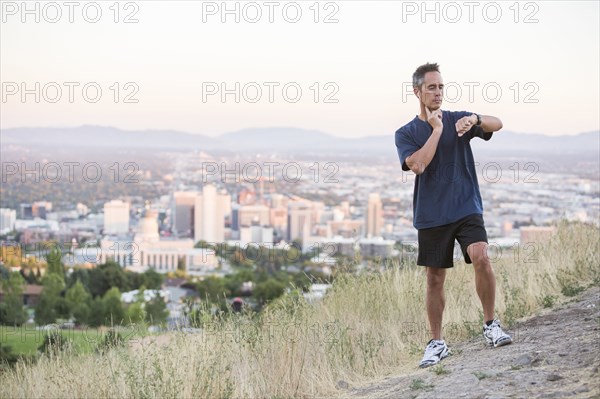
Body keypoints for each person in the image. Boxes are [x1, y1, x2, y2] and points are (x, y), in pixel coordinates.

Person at [394, 63, 512, 369]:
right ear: (416, 91)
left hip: (466, 206)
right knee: (434, 279)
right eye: (431, 87)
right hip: (432, 215)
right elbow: (418, 165)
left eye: (441, 87)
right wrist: (437, 131)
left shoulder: (460, 119)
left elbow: (497, 123)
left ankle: (490, 325)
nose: (438, 93)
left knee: (481, 256)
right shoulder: (406, 132)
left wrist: (475, 118)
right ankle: (436, 342)